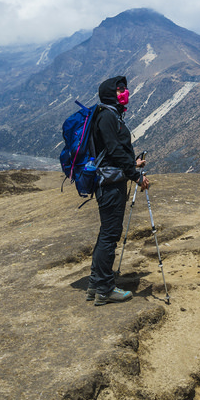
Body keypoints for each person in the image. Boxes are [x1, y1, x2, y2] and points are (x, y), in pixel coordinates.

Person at [86, 76, 149, 306]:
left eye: (125, 88)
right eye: (120, 89)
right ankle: (105, 289)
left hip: (111, 181)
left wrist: (133, 164)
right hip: (111, 185)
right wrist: (136, 175)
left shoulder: (109, 114)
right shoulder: (107, 116)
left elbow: (113, 151)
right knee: (111, 234)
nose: (125, 92)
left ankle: (95, 283)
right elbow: (113, 150)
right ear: (111, 93)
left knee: (106, 233)